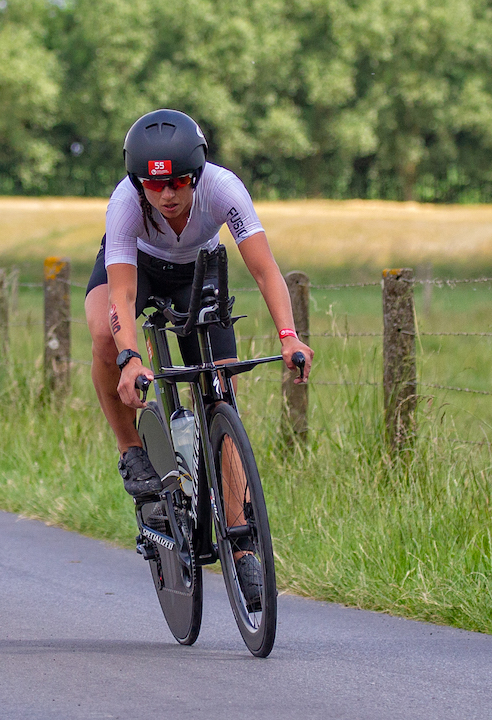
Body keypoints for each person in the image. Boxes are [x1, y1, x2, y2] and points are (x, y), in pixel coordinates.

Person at [84, 109, 314, 599]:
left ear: (198, 174)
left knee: (220, 387)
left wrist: (289, 336)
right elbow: (121, 297)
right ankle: (132, 453)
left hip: (198, 270)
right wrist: (129, 357)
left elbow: (266, 270)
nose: (167, 196)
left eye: (180, 183)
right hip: (140, 265)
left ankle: (242, 541)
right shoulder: (126, 205)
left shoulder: (223, 188)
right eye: (153, 185)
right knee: (104, 334)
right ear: (138, 182)